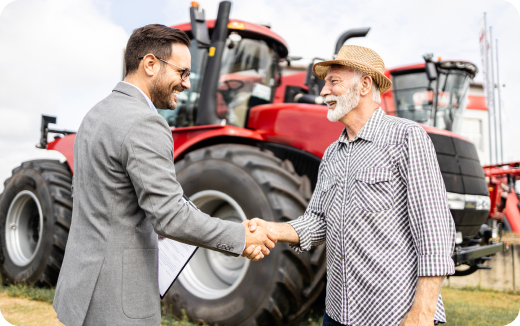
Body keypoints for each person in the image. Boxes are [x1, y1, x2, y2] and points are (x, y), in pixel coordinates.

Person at [52, 24, 275, 326]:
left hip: (81, 289)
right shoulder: (146, 123)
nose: (186, 83)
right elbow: (170, 216)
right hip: (118, 300)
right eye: (182, 72)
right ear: (150, 64)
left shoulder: (96, 114)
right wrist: (240, 235)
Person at [248, 45, 455, 325]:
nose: (323, 92)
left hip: (393, 315)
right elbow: (317, 222)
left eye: (334, 82)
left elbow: (434, 228)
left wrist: (424, 311)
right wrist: (271, 229)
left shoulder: (406, 138)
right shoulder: (332, 154)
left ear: (364, 85)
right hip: (337, 313)